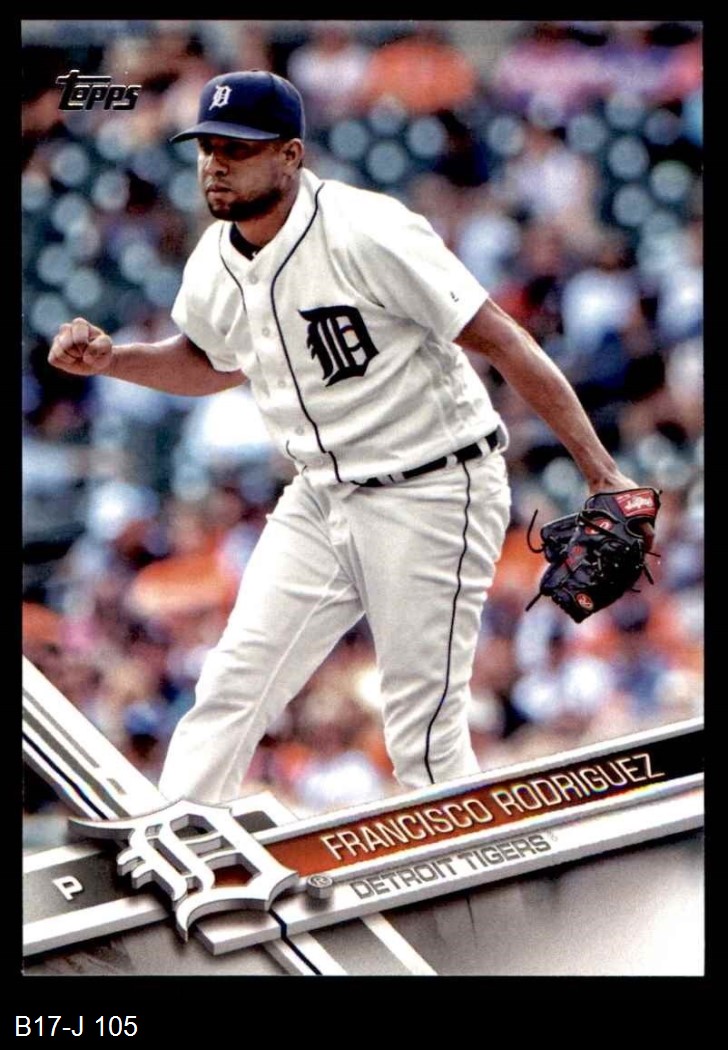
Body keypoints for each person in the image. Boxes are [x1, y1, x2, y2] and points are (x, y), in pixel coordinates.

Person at [48, 70, 645, 806]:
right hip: (320, 494)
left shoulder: (368, 229)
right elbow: (210, 362)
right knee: (230, 685)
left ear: (291, 155)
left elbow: (502, 338)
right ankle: (175, 846)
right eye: (207, 148)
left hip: (431, 485)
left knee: (421, 734)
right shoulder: (214, 259)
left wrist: (600, 470)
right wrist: (116, 361)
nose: (216, 165)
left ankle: (470, 869)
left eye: (238, 149)